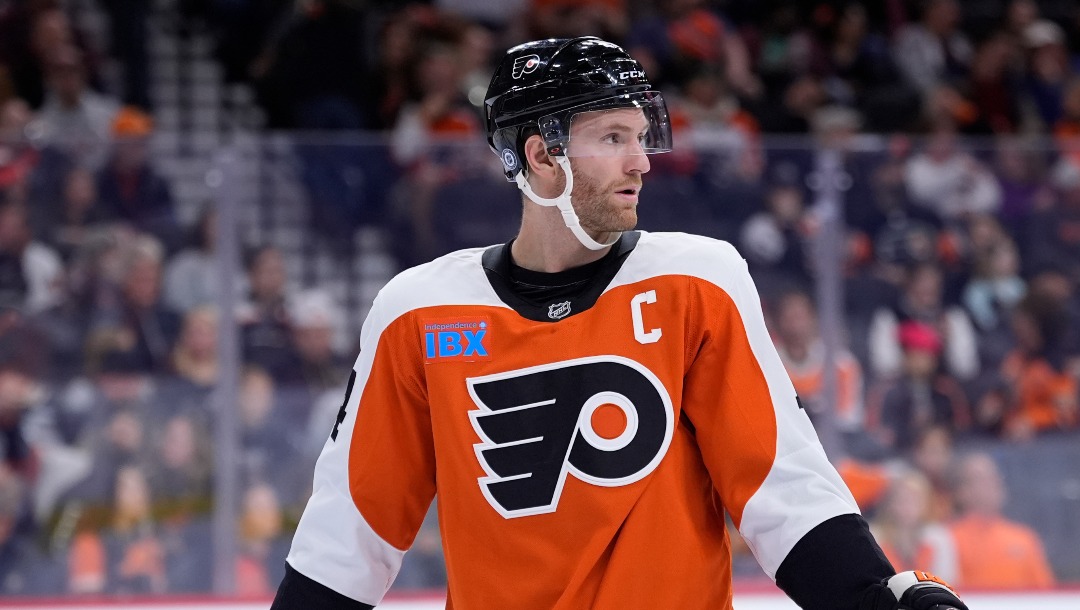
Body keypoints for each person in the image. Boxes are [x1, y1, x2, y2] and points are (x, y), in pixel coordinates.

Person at [271, 37, 967, 610]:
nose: (641, 161)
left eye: (641, 136)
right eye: (612, 137)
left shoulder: (698, 282)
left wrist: (870, 599)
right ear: (541, 156)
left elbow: (779, 486)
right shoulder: (417, 311)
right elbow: (350, 535)